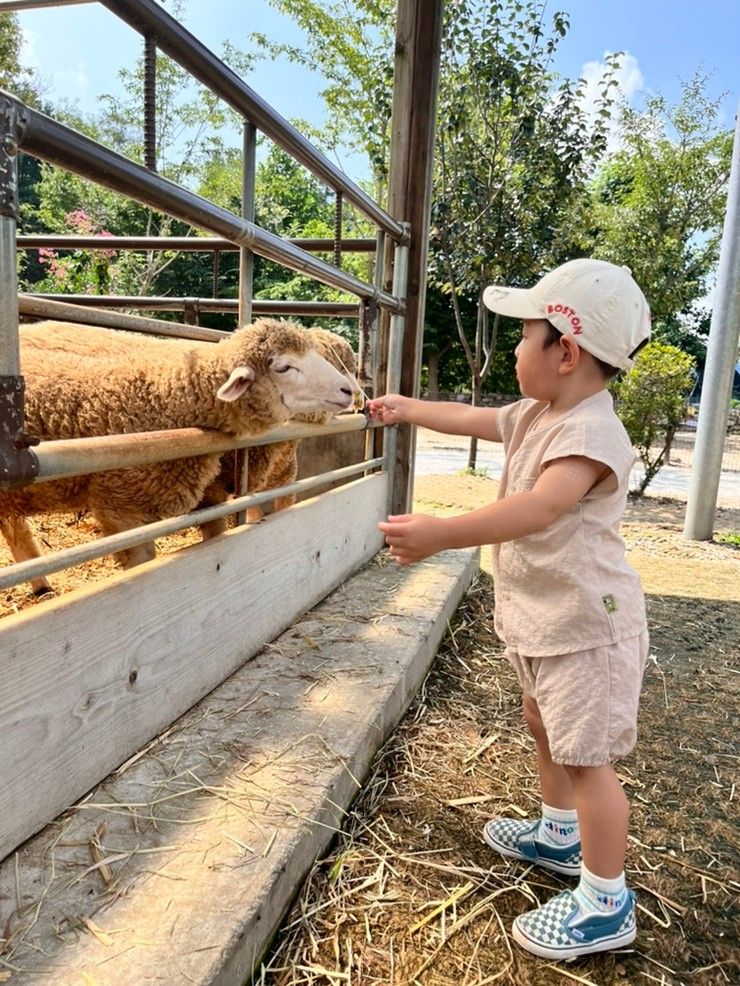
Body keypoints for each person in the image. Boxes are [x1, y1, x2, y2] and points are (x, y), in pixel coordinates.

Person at [367, 258, 651, 961]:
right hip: (546, 621)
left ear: (566, 351)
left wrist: (441, 534)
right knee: (542, 722)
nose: (514, 349)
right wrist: (405, 408)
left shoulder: (591, 432)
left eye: (523, 335)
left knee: (589, 760)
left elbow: (541, 507)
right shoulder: (537, 411)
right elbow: (473, 417)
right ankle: (559, 834)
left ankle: (605, 902)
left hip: (589, 629)